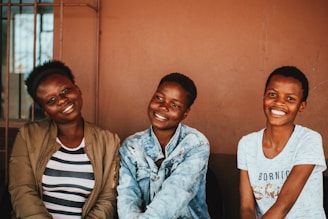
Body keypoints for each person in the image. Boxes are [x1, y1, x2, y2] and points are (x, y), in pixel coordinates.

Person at [9, 60, 120, 219]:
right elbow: (23, 191)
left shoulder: (108, 141)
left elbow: (107, 198)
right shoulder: (28, 136)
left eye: (66, 90)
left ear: (78, 90)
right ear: (45, 111)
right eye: (51, 101)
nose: (62, 100)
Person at [117, 72, 210, 218]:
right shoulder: (131, 146)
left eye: (174, 105)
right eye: (159, 97)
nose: (163, 107)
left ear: (185, 113)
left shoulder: (196, 144)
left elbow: (175, 193)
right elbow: (127, 198)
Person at [237, 66, 326, 218]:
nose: (279, 102)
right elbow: (247, 207)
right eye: (272, 94)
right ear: (264, 97)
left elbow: (283, 205)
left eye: (290, 98)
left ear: (301, 106)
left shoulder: (308, 140)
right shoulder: (247, 144)